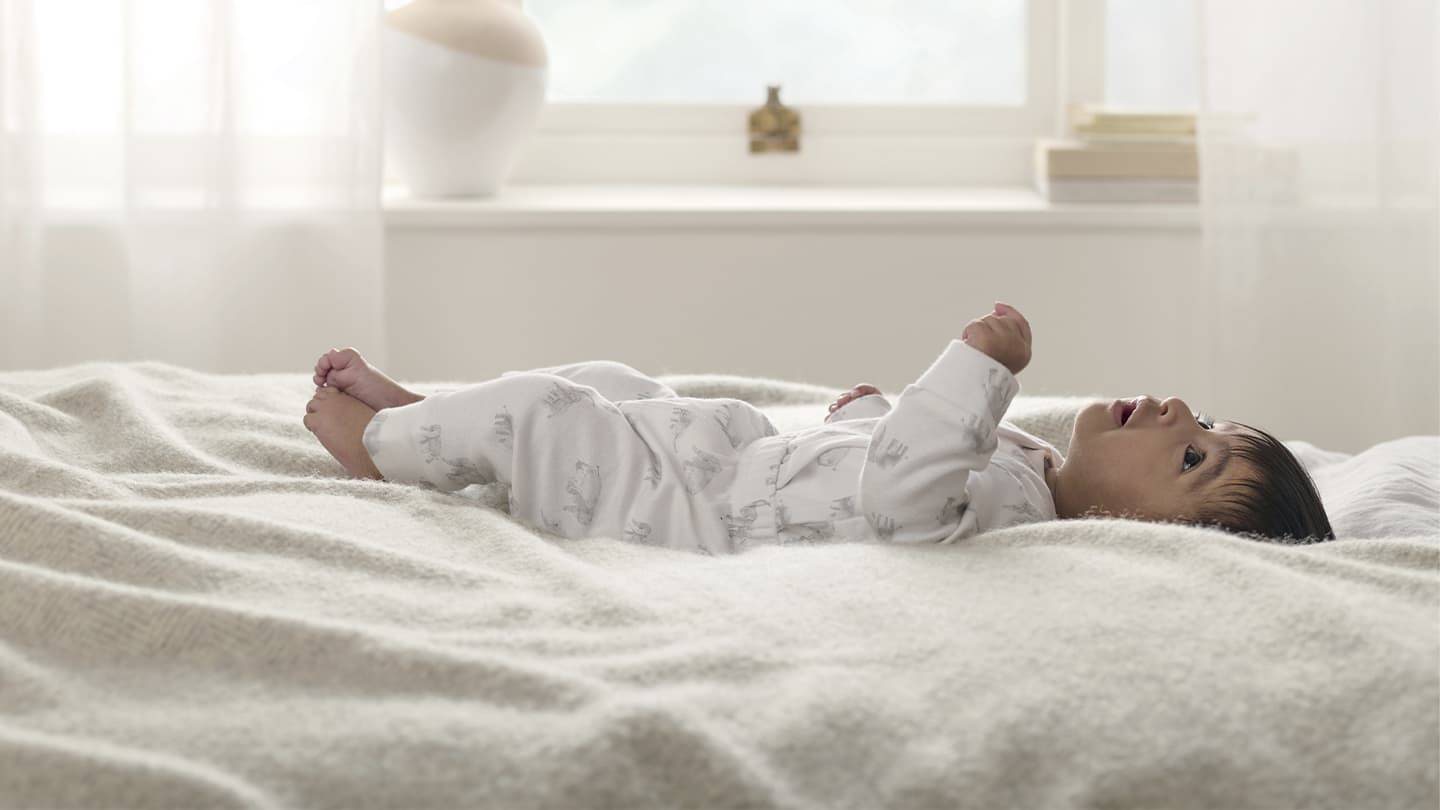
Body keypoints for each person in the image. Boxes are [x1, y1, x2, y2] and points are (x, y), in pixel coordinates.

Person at [303, 302, 1334, 553]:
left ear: (1136, 536)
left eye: (1191, 456)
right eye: (1205, 423)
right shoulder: (1035, 467)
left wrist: (980, 372)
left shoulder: (1019, 525)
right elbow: (904, 457)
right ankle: (428, 422)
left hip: (681, 512)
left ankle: (380, 450)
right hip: (736, 456)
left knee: (551, 410)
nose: (1176, 412)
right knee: (611, 383)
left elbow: (903, 498)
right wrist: (873, 415)